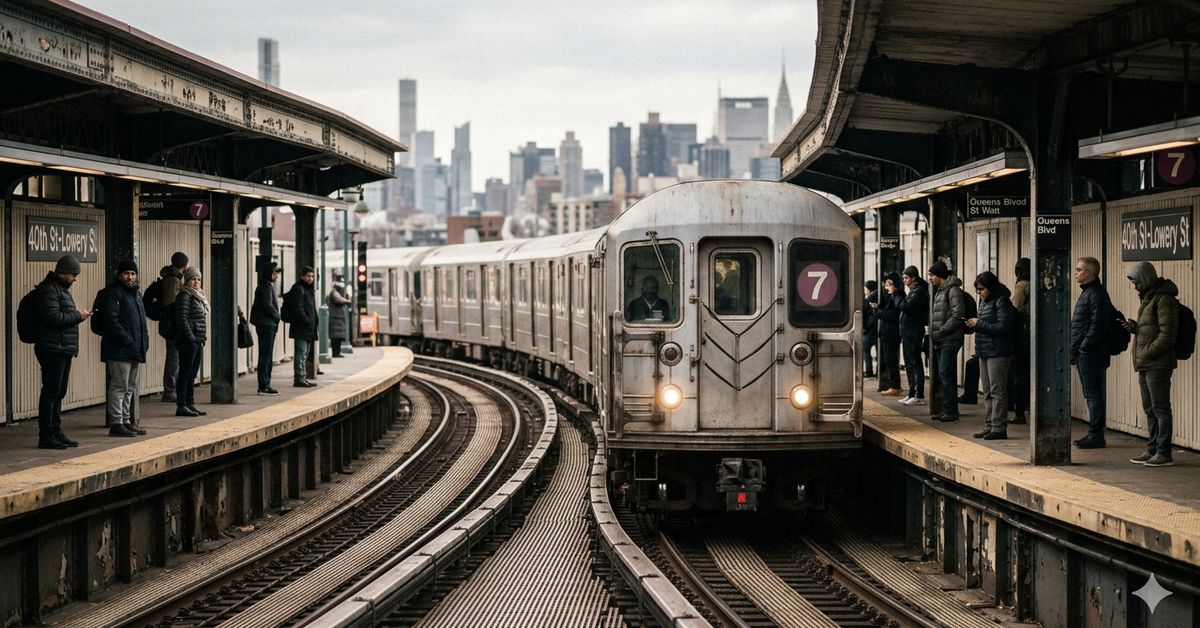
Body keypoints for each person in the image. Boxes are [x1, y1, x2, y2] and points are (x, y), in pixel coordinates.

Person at [1123, 262, 1179, 467]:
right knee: (1150, 408)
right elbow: (1152, 329)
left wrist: (1147, 352)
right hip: (1146, 364)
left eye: (1137, 282)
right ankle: (1153, 448)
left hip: (1157, 364)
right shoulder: (1148, 298)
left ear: (1146, 279)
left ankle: (1164, 452)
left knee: (1160, 408)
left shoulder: (1164, 300)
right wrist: (1135, 328)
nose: (1135, 286)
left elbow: (1168, 334)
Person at [33, 255, 91, 449]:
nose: (75, 279)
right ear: (64, 272)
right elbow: (53, 318)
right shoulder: (49, 289)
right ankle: (46, 435)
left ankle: (56, 431)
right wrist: (78, 316)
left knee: (59, 391)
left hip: (62, 347)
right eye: (73, 274)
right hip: (52, 348)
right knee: (51, 391)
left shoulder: (60, 289)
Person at [99, 260, 149, 437]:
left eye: (133, 273)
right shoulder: (112, 294)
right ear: (119, 275)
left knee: (130, 387)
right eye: (126, 273)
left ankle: (126, 421)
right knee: (119, 386)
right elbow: (111, 322)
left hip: (134, 348)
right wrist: (128, 340)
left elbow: (141, 322)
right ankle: (116, 422)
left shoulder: (136, 294)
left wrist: (144, 342)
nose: (130, 277)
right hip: (119, 349)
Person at [1070, 256, 1113, 449]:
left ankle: (1096, 435)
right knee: (1092, 394)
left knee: (1093, 394)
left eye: (1079, 269)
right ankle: (1095, 433)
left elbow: (1099, 324)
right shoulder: (1090, 293)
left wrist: (1083, 346)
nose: (1076, 273)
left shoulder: (1095, 294)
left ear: (1088, 273)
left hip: (1091, 353)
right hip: (1088, 352)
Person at [965, 271, 1015, 440]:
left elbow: (1003, 327)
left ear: (991, 287)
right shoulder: (984, 302)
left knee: (997, 391)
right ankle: (989, 425)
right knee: (987, 391)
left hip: (998, 352)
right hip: (984, 351)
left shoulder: (1002, 301)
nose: (979, 293)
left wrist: (979, 324)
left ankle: (999, 428)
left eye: (982, 289)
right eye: (977, 290)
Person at [928, 260, 965, 422]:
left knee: (945, 374)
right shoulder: (941, 290)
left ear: (939, 275)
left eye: (931, 275)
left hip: (949, 338)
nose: (930, 278)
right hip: (941, 339)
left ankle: (951, 411)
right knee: (944, 374)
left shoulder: (953, 290)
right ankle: (948, 409)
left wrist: (941, 330)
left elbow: (957, 315)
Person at [174, 267, 208, 417]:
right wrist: (191, 338)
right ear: (187, 280)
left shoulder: (197, 296)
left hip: (197, 340)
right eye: (193, 279)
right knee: (185, 373)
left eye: (198, 279)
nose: (196, 282)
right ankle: (182, 405)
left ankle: (190, 403)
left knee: (191, 374)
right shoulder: (185, 296)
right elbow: (182, 319)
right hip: (188, 342)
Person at [896, 266, 929, 405]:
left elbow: (907, 307)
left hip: (913, 331)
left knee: (914, 362)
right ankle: (911, 392)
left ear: (913, 277)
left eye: (906, 278)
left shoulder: (919, 291)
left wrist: (896, 295)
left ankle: (918, 394)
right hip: (908, 331)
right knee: (910, 363)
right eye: (903, 278)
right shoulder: (914, 290)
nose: (904, 280)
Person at [159, 252, 188, 403]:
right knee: (173, 358)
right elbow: (171, 304)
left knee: (174, 357)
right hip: (173, 326)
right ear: (184, 265)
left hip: (172, 324)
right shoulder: (173, 280)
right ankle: (169, 391)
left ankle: (171, 389)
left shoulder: (172, 278)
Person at [250, 262, 281, 395]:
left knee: (266, 356)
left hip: (265, 324)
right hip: (267, 325)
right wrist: (277, 316)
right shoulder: (266, 287)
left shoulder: (264, 286)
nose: (276, 276)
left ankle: (265, 384)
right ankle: (264, 386)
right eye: (274, 273)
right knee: (266, 357)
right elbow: (267, 305)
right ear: (269, 273)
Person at [1008, 258, 1031, 424]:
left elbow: (1015, 309)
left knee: (1019, 373)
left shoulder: (1022, 285)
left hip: (1023, 335)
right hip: (1036, 334)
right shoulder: (1040, 283)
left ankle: (1019, 411)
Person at [287, 266, 319, 387]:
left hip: (308, 328)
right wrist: (307, 320)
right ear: (302, 276)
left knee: (304, 354)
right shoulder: (298, 288)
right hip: (301, 327)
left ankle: (303, 377)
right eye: (308, 276)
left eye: (312, 276)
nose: (310, 278)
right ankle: (299, 378)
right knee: (301, 353)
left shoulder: (308, 289)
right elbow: (298, 308)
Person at [877, 273, 903, 396]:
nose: (887, 287)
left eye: (890, 284)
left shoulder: (898, 296)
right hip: (886, 332)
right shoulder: (888, 297)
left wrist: (878, 312)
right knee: (888, 359)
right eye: (886, 284)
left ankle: (895, 385)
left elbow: (893, 315)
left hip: (892, 333)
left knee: (891, 360)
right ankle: (893, 385)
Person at [327, 279, 352, 358]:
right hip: (335, 319)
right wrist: (347, 301)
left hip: (337, 319)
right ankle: (335, 353)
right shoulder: (334, 293)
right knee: (335, 338)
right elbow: (338, 300)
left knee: (338, 338)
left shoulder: (336, 293)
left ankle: (337, 352)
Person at [863, 281, 879, 379]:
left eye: (865, 289)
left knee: (866, 349)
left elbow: (864, 312)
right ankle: (878, 372)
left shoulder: (869, 298)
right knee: (879, 350)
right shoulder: (880, 296)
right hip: (878, 328)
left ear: (869, 289)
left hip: (870, 328)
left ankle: (869, 371)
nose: (864, 291)